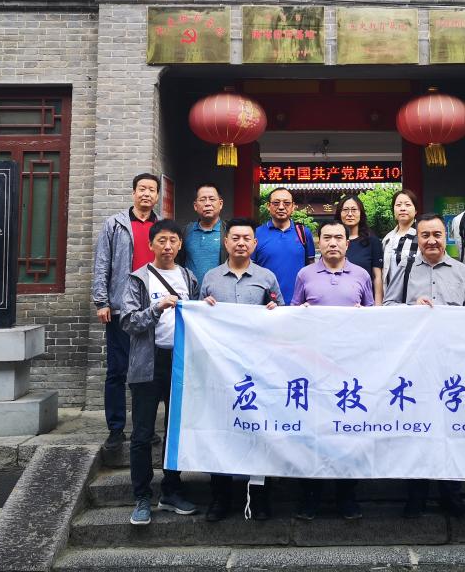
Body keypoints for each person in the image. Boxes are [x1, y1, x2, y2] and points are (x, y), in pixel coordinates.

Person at [382, 212, 465, 519]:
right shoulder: (405, 268)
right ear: (417, 238)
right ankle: (416, 494)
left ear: (445, 237)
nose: (431, 241)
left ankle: (451, 493)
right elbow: (388, 306)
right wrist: (411, 308)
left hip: (451, 365)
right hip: (416, 364)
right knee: (417, 428)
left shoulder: (464, 273)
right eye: (425, 235)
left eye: (437, 235)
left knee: (451, 428)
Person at [200, 218, 284, 522]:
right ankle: (220, 498)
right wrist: (204, 308)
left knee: (258, 433)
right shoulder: (210, 278)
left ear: (254, 243)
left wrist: (275, 312)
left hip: (257, 369)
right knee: (221, 431)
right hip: (221, 369)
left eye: (246, 238)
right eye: (235, 237)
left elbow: (282, 316)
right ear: (226, 242)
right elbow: (197, 319)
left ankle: (260, 499)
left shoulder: (267, 277)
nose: (241, 243)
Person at [291, 221, 373, 520]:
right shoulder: (305, 274)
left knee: (347, 432)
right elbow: (293, 315)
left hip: (349, 368)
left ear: (347, 244)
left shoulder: (361, 275)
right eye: (327, 238)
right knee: (312, 432)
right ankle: (309, 496)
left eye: (339, 237)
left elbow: (373, 319)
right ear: (319, 242)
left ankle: (346, 496)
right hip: (314, 366)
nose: (333, 242)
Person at [119, 219, 200, 526]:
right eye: (162, 240)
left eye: (173, 241)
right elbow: (128, 321)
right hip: (147, 363)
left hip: (179, 362)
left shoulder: (189, 277)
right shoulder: (138, 279)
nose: (167, 246)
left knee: (175, 431)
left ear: (180, 245)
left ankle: (171, 490)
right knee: (142, 434)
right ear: (151, 244)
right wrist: (156, 308)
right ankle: (142, 497)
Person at [92, 172, 160, 453]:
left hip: (151, 308)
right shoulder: (115, 224)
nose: (146, 194)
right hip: (121, 307)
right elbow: (102, 262)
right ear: (133, 193)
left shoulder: (161, 226)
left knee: (147, 373)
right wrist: (102, 301)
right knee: (117, 370)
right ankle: (116, 429)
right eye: (142, 189)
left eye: (151, 190)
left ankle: (144, 429)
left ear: (157, 196)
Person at [253, 187, 315, 306]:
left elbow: (311, 267)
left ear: (293, 206)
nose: (281, 207)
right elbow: (250, 268)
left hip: (298, 304)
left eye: (286, 203)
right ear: (268, 206)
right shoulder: (257, 234)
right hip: (266, 304)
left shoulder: (303, 233)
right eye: (276, 203)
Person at [336, 195, 383, 304]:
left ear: (361, 213)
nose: (350, 214)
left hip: (364, 303)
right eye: (345, 210)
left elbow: (377, 276)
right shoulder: (333, 241)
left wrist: (378, 304)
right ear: (339, 214)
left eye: (354, 210)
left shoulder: (372, 241)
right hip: (337, 301)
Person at [182, 183, 226, 287]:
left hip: (218, 293)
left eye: (212, 199)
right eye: (202, 200)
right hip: (190, 293)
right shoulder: (185, 231)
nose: (207, 203)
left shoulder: (229, 232)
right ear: (195, 206)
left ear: (220, 204)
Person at [380, 188, 419, 284]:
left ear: (416, 210)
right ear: (393, 210)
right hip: (390, 291)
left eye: (407, 205)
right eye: (398, 205)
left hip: (416, 291)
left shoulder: (422, 236)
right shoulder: (387, 239)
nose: (402, 208)